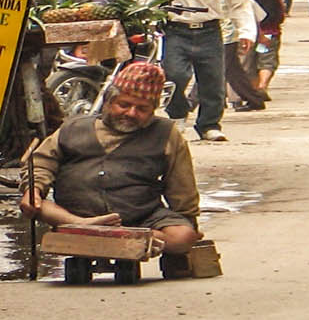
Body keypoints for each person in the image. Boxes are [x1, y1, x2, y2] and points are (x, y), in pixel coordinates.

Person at [20, 60, 202, 257]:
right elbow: (42, 163)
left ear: (153, 110)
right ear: (108, 102)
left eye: (142, 109)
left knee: (181, 236)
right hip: (74, 214)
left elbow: (183, 188)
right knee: (37, 205)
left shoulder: (166, 133)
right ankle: (83, 226)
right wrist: (34, 190)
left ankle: (120, 235)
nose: (131, 113)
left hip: (140, 217)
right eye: (124, 105)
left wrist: (188, 226)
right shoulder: (73, 128)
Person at [141, 0, 256, 142]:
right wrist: (144, 17)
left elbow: (239, 4)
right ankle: (177, 114)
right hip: (177, 30)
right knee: (174, 75)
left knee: (212, 81)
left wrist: (246, 32)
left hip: (209, 31)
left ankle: (209, 125)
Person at [238, 0, 285, 104]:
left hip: (251, 36)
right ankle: (263, 86)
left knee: (251, 64)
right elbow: (280, 17)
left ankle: (254, 89)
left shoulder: (247, 0)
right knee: (266, 61)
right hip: (269, 34)